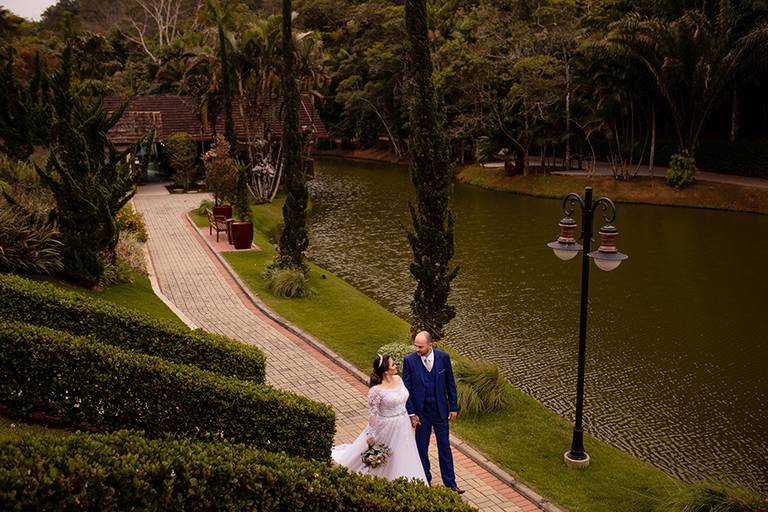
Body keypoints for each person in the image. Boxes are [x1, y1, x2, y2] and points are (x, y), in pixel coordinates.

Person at [331, 354, 427, 483]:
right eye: (393, 364)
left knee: (404, 452)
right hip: (386, 426)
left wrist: (411, 416)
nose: (396, 366)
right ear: (386, 371)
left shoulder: (399, 379)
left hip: (403, 423)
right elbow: (373, 414)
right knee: (387, 453)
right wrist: (371, 435)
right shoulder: (376, 391)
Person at [402, 330, 464, 494]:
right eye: (416, 346)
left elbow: (450, 384)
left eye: (420, 347)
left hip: (440, 412)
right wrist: (412, 413)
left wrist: (453, 407)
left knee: (445, 447)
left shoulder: (443, 358)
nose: (417, 349)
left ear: (430, 345)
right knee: (422, 448)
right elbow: (407, 390)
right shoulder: (409, 361)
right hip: (421, 414)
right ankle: (425, 481)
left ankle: (450, 483)